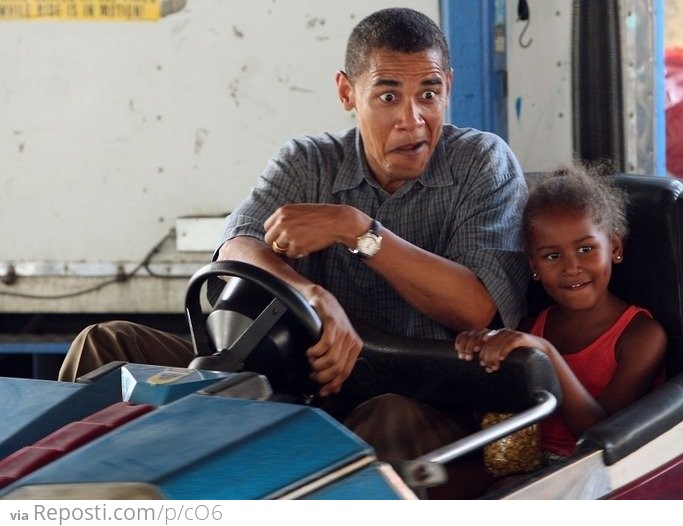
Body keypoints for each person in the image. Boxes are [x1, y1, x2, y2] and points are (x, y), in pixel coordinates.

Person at [59, 7, 528, 469]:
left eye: (429, 94)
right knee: (103, 345)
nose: (413, 118)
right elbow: (235, 248)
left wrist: (357, 229)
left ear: (448, 86)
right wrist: (313, 296)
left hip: (419, 394)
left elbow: (476, 307)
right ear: (347, 92)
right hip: (291, 377)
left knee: (387, 420)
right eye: (388, 97)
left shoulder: (482, 164)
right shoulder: (308, 162)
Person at [455, 163, 667, 464]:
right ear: (533, 266)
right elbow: (499, 422)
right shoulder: (531, 328)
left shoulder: (642, 336)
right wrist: (482, 354)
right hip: (524, 466)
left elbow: (598, 438)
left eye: (585, 249)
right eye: (552, 256)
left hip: (590, 479)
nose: (571, 268)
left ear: (615, 247)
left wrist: (546, 355)